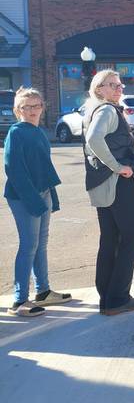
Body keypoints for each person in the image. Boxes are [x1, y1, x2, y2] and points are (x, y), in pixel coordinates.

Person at [4, 88, 71, 317]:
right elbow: (14, 171)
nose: (32, 110)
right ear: (17, 110)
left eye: (36, 105)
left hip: (43, 193)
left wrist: (51, 196)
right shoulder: (17, 132)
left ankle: (42, 292)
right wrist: (33, 200)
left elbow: (43, 168)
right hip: (24, 197)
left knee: (40, 244)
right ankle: (19, 301)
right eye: (26, 107)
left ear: (43, 107)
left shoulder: (39, 131)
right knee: (28, 245)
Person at [84, 70, 134, 316]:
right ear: (99, 89)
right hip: (118, 184)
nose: (119, 88)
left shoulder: (94, 110)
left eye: (120, 84)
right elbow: (94, 139)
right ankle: (118, 297)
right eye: (112, 85)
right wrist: (118, 167)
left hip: (103, 185)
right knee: (131, 238)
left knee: (110, 240)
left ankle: (108, 297)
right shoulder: (108, 110)